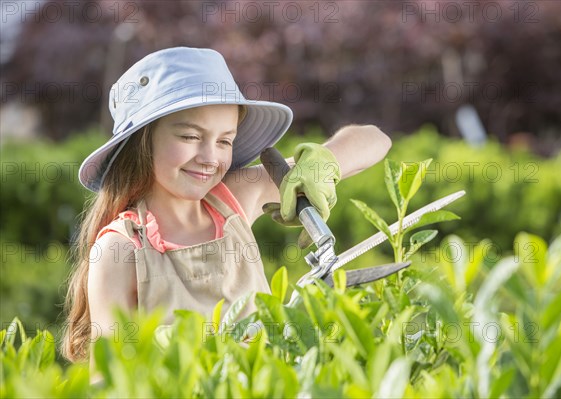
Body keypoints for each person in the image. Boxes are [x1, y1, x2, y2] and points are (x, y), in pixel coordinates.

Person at [61, 47, 391, 366]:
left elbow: (375, 139)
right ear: (143, 141)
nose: (210, 159)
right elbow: (108, 382)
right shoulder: (120, 248)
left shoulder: (232, 200)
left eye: (224, 141)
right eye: (190, 137)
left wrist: (321, 165)